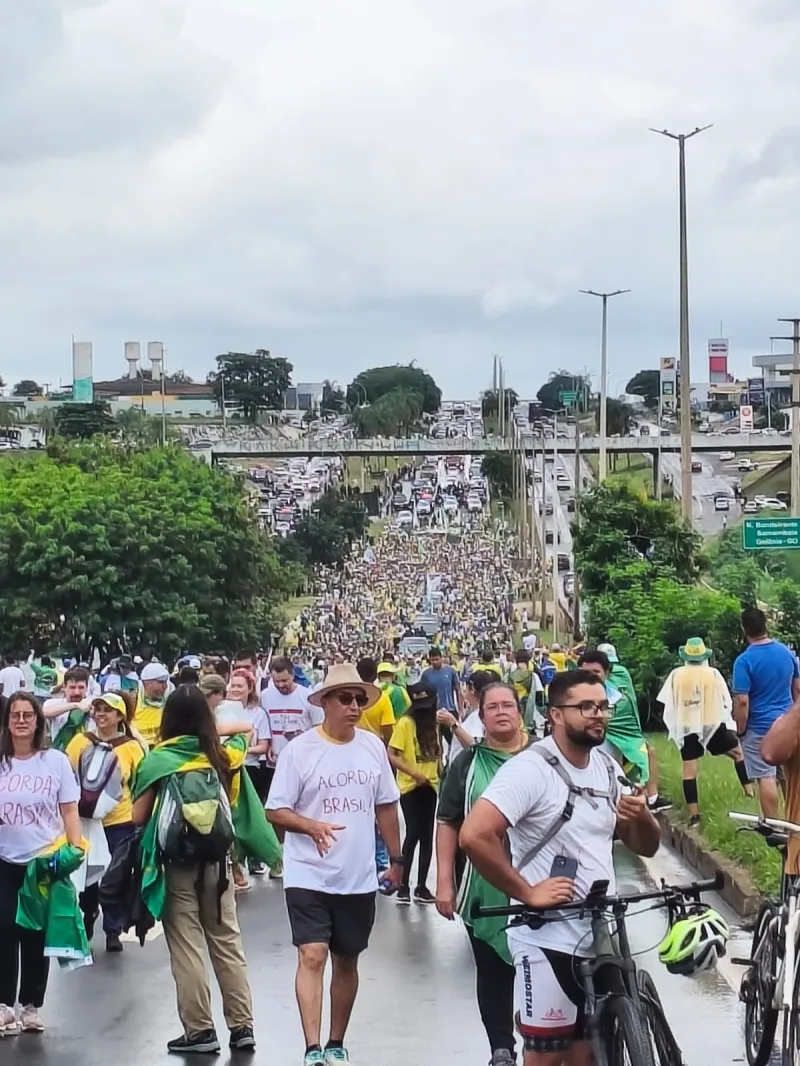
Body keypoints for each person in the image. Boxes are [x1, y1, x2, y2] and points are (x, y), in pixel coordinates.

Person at [460, 670, 660, 1066]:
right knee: (548, 1056)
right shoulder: (529, 770)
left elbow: (646, 847)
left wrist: (642, 819)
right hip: (545, 937)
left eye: (603, 706)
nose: (597, 715)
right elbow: (474, 835)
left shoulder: (605, 767)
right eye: (585, 707)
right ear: (554, 714)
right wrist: (527, 893)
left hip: (599, 930)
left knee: (589, 1052)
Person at [266, 664, 402, 1066]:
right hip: (308, 871)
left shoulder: (372, 747)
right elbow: (276, 810)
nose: (354, 706)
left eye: (360, 698)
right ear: (324, 702)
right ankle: (311, 1047)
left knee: (347, 958)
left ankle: (336, 1042)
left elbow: (386, 805)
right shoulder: (300, 751)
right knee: (312, 954)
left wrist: (396, 861)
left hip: (357, 876)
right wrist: (310, 826)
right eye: (345, 698)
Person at [132, 685, 256, 1056]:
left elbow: (138, 816)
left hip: (176, 865)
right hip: (218, 863)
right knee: (227, 943)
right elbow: (245, 731)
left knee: (187, 948)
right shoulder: (222, 755)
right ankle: (242, 1025)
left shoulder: (158, 759)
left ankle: (200, 1031)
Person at [436, 682, 531, 1066]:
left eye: (508, 704)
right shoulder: (468, 763)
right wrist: (444, 879)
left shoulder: (545, 755)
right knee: (492, 967)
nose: (501, 712)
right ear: (482, 715)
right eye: (492, 707)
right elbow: (447, 821)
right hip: (483, 883)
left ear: (519, 711)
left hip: (542, 877)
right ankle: (502, 1048)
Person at [0, 691, 83, 1034]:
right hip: (4, 860)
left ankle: (31, 1005)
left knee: (35, 934)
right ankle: (4, 1005)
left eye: (27, 715)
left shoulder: (55, 761)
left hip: (43, 863)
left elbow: (69, 808)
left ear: (38, 721)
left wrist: (75, 848)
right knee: (4, 929)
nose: (21, 721)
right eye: (15, 715)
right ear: (6, 722)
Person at [65, 691, 145, 952]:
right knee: (87, 877)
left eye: (107, 710)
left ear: (119, 716)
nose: (101, 714)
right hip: (86, 822)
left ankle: (113, 930)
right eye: (97, 709)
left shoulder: (131, 747)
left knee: (115, 878)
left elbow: (140, 785)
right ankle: (88, 916)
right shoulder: (80, 742)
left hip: (120, 822)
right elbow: (66, 777)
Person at [657, 638, 750, 828]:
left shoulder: (676, 675)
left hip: (686, 726)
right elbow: (725, 700)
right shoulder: (713, 674)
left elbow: (668, 701)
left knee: (689, 770)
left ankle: (694, 816)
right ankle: (749, 792)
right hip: (712, 724)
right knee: (738, 753)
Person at [732, 607, 800, 819]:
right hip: (786, 726)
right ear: (766, 625)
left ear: (744, 630)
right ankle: (793, 820)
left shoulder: (744, 661)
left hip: (759, 727)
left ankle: (773, 826)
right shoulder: (786, 653)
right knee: (788, 775)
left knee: (765, 775)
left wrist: (741, 730)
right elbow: (797, 688)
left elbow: (742, 702)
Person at [388, 682, 441, 904]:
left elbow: (437, 750)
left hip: (431, 785)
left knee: (427, 835)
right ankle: (403, 884)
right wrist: (413, 773)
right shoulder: (405, 723)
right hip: (410, 786)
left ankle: (421, 886)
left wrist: (439, 768)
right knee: (413, 834)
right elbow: (392, 754)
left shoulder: (434, 722)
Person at [597, 642, 667, 812]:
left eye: (611, 663)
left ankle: (652, 797)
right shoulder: (591, 682)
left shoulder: (622, 674)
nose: (610, 667)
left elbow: (630, 702)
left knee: (648, 752)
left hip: (628, 731)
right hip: (606, 732)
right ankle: (615, 805)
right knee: (613, 762)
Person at [578, 649, 650, 787]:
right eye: (585, 672)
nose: (590, 677)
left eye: (596, 672)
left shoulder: (619, 700)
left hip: (611, 753)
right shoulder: (569, 698)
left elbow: (629, 731)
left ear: (607, 673)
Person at [260, 656, 322, 766]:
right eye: (276, 681)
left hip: (303, 760)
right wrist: (268, 745)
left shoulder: (308, 697)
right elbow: (262, 726)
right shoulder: (265, 697)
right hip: (275, 761)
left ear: (293, 675)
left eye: (284, 680)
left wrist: (302, 735)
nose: (280, 685)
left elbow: (320, 727)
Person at [134, 662, 171, 747]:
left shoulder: (169, 701)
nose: (165, 686)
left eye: (165, 682)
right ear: (146, 683)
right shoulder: (133, 700)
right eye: (161, 682)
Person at [420, 647, 463, 716]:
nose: (435, 662)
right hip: (433, 711)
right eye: (432, 660)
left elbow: (458, 690)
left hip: (449, 710)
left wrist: (461, 709)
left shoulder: (450, 671)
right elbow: (422, 693)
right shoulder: (426, 674)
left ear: (441, 658)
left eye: (437, 659)